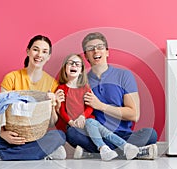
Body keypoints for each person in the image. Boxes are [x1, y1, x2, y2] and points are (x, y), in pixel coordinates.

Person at [0, 35, 66, 161]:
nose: (39, 55)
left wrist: (53, 104)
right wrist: (3, 134)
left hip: (37, 135)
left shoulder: (52, 83)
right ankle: (43, 152)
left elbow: (52, 123)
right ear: (28, 51)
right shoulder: (11, 77)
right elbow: (0, 109)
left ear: (48, 57)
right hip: (12, 134)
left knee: (59, 136)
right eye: (35, 49)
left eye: (44, 51)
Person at [66, 32, 158, 160]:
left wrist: (101, 106)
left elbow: (134, 115)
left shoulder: (124, 76)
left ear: (107, 52)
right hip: (96, 134)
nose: (95, 51)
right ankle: (130, 151)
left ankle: (96, 153)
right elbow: (78, 114)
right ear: (86, 56)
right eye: (90, 49)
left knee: (150, 134)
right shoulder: (81, 81)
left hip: (122, 134)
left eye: (100, 47)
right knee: (71, 133)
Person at [56, 53, 139, 161]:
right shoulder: (61, 89)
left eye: (77, 64)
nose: (74, 66)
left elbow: (90, 107)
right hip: (77, 127)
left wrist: (83, 117)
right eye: (70, 63)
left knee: (104, 132)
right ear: (65, 68)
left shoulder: (85, 87)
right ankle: (124, 147)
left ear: (81, 70)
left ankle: (103, 148)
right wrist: (71, 122)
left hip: (89, 121)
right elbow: (61, 110)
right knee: (72, 132)